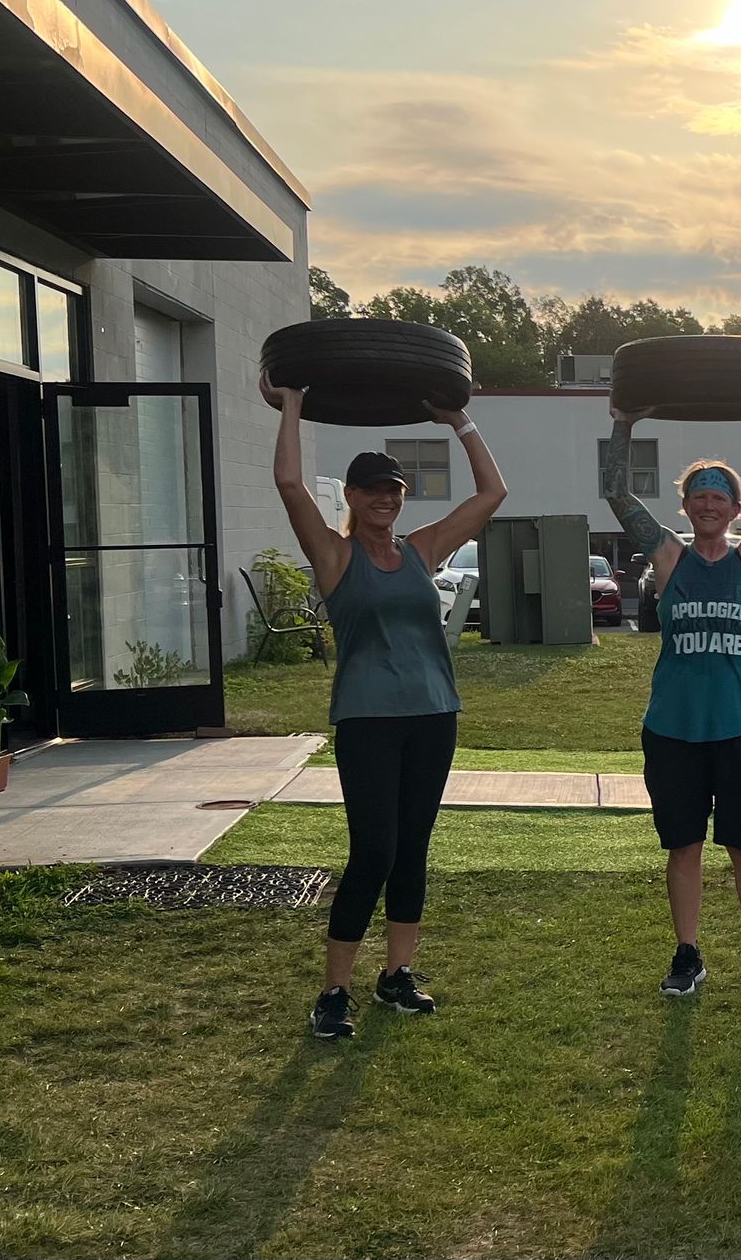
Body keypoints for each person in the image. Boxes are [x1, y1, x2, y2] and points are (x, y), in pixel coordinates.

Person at [262, 374, 506, 1039]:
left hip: (432, 715)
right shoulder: (336, 556)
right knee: (373, 848)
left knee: (412, 849)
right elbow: (288, 483)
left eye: (392, 489)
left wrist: (459, 420)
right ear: (350, 496)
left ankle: (396, 976)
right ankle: (333, 991)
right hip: (367, 718)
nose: (384, 498)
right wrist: (291, 404)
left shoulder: (423, 550)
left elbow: (492, 493)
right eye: (371, 488)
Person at [602, 403, 741, 998]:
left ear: (735, 507)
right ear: (687, 506)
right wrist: (625, 422)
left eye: (720, 496)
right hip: (673, 729)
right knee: (683, 845)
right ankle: (688, 953)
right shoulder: (669, 558)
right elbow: (616, 493)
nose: (709, 504)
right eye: (699, 495)